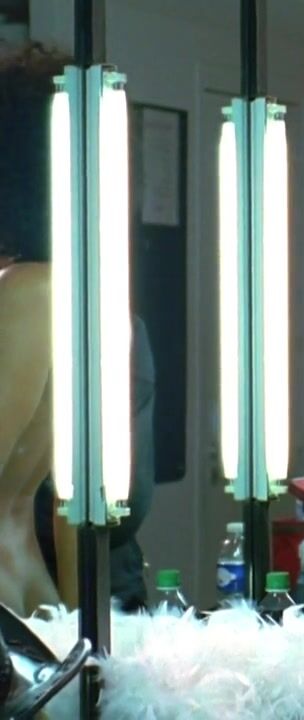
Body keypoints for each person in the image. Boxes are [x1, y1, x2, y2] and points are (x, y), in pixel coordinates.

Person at [0, 42, 156, 615]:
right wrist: (83, 630)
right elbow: (76, 503)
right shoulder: (83, 301)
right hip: (34, 581)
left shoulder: (26, 295)